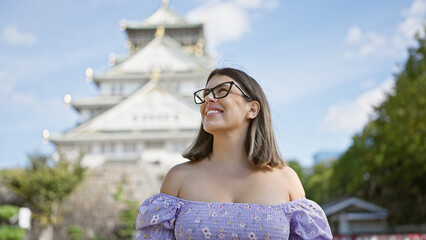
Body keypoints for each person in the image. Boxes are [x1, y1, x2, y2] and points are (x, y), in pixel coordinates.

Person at [136, 68, 333, 240]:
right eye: (206, 94)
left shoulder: (286, 179)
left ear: (253, 109)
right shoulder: (178, 178)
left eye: (222, 91)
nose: (208, 99)